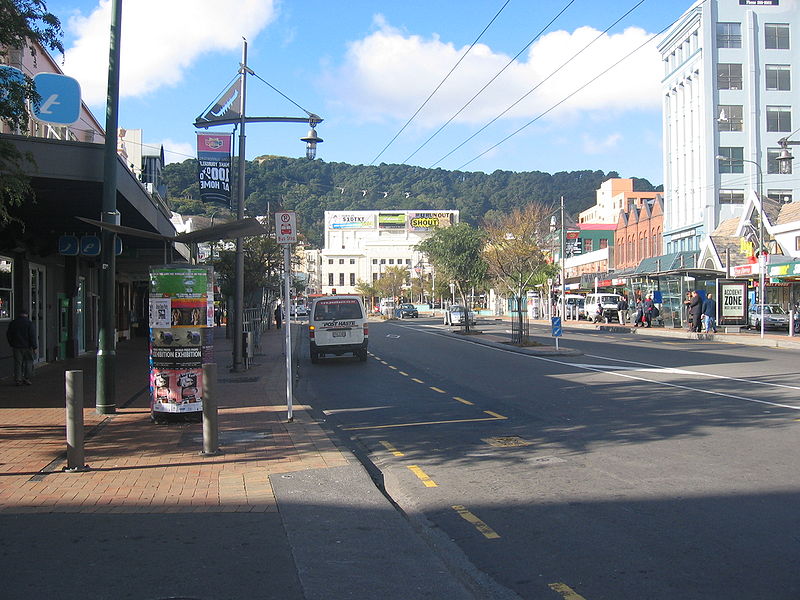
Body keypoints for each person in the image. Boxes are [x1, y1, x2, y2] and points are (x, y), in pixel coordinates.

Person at [6, 309, 37, 386]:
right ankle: (27, 378)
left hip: (16, 346)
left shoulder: (13, 323)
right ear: (26, 314)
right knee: (28, 362)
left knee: (18, 363)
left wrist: (12, 343)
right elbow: (32, 336)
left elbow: (9, 334)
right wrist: (34, 347)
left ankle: (18, 379)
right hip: (27, 347)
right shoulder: (29, 324)